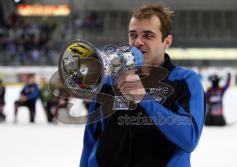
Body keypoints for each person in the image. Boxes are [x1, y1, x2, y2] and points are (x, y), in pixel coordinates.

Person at [80, 3, 205, 167]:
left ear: (166, 42)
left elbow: (189, 138)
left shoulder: (185, 80)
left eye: (148, 35)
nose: (138, 42)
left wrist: (144, 99)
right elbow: (90, 141)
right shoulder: (110, 82)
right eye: (133, 35)